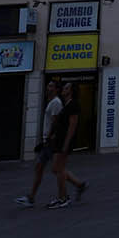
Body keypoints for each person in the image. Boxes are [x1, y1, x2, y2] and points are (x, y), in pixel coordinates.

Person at [15, 80, 62, 206]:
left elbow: (55, 122)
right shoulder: (51, 102)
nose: (48, 87)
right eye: (48, 85)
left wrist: (49, 137)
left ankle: (70, 190)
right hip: (48, 141)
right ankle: (31, 197)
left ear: (57, 89)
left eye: (51, 86)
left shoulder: (56, 103)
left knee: (57, 169)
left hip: (51, 141)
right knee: (40, 167)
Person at [47, 81, 87, 209]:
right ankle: (79, 185)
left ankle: (63, 198)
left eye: (67, 88)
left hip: (64, 141)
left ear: (71, 91)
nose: (64, 89)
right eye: (64, 87)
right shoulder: (66, 104)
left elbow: (72, 126)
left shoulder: (73, 105)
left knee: (59, 169)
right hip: (60, 140)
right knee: (56, 169)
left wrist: (66, 144)